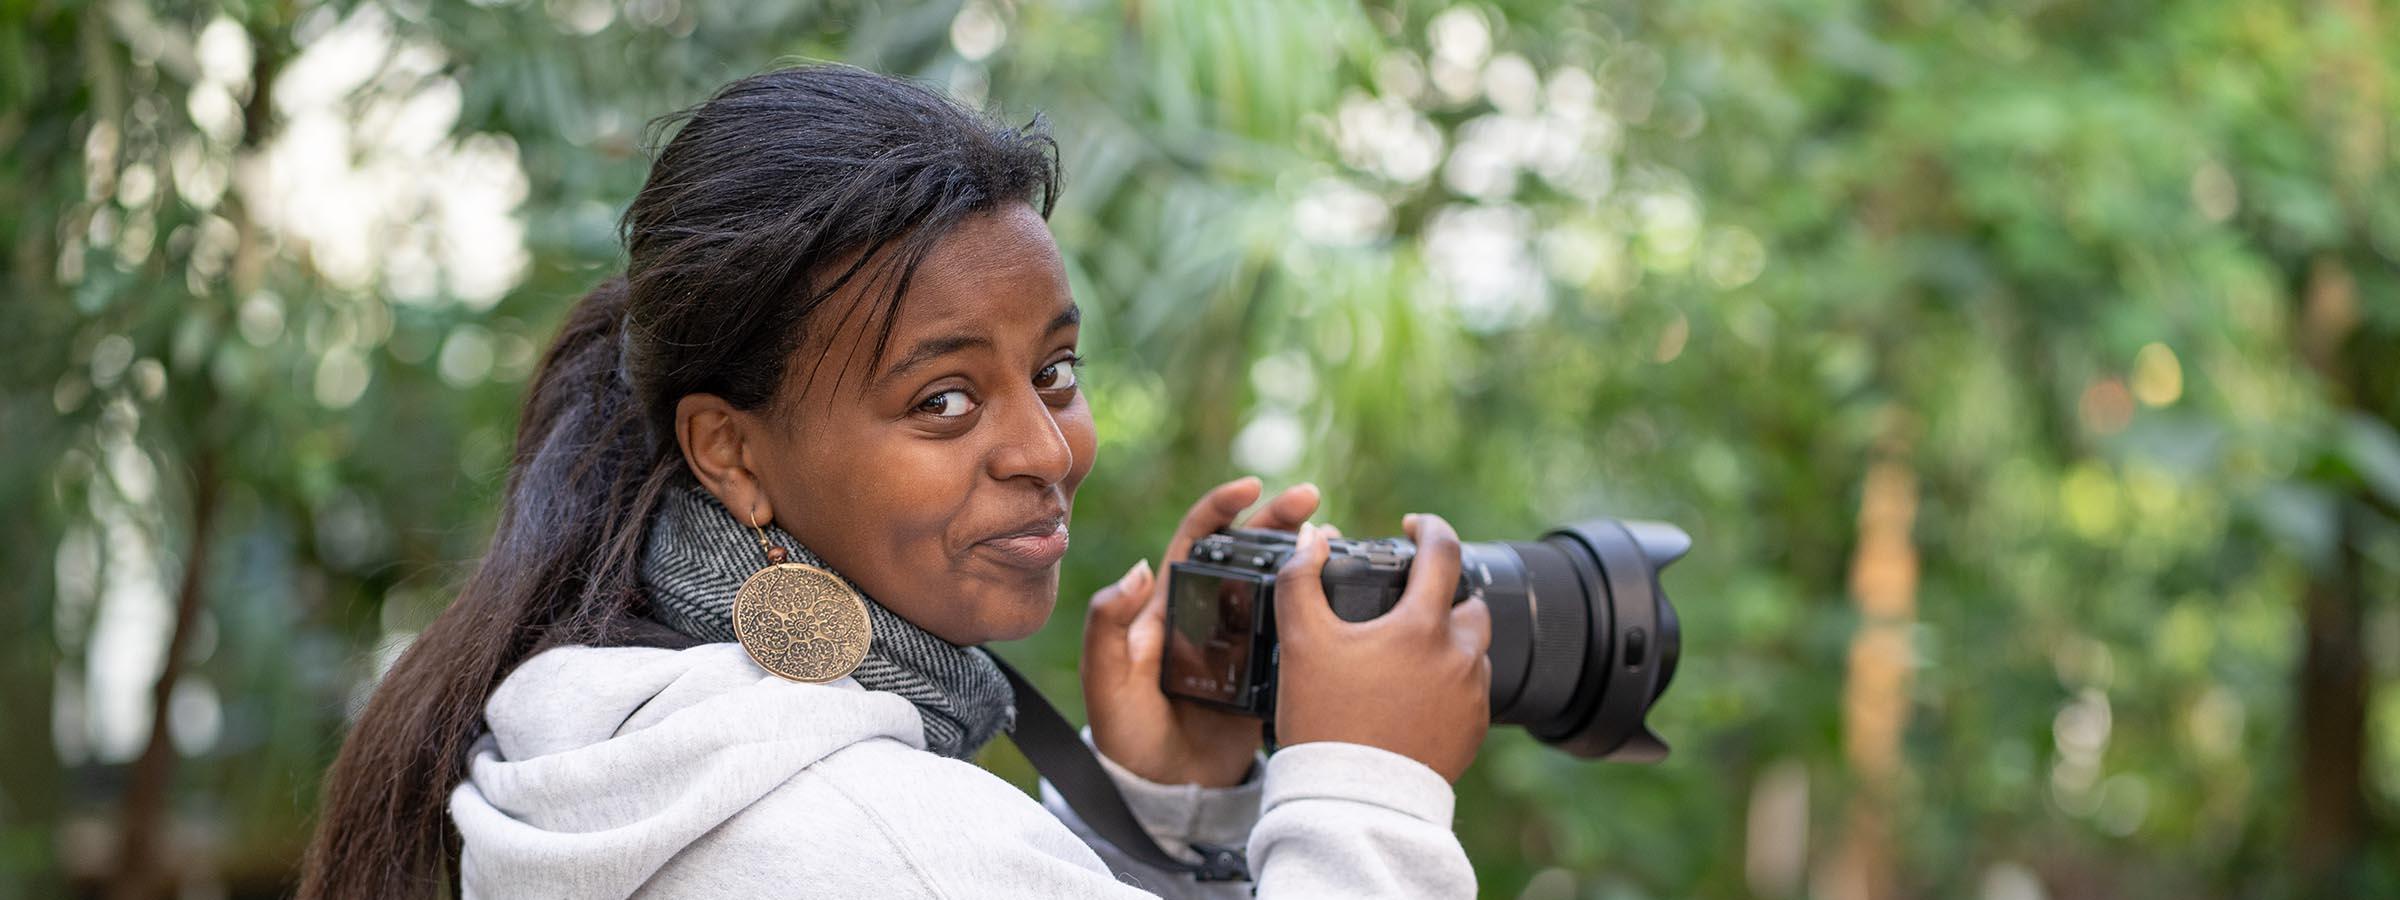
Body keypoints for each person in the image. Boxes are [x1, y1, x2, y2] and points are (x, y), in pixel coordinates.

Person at [296, 65, 1493, 899]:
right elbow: (907, 857)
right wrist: (1368, 792)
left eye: (1054, 372)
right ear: (731, 452)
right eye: (944, 402)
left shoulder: (616, 729)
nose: (1047, 451)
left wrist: (1158, 804)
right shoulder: (862, 831)